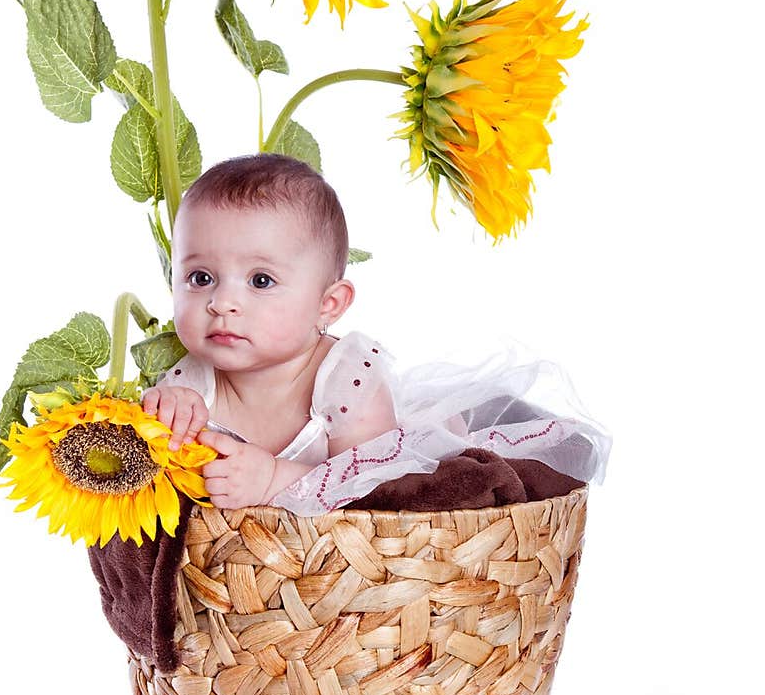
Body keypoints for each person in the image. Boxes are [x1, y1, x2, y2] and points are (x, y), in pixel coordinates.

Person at [141, 154, 610, 514]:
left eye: (260, 281)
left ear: (329, 305)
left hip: (399, 462)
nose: (221, 302)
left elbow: (374, 496)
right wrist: (162, 416)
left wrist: (274, 481)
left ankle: (495, 415)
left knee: (470, 460)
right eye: (200, 278)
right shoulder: (192, 381)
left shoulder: (348, 383)